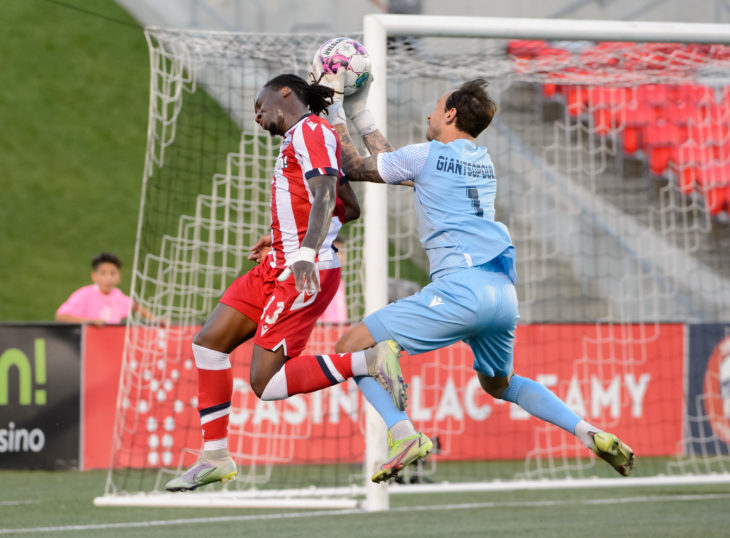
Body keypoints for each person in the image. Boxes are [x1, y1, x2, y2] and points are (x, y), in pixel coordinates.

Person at [319, 71, 635, 482]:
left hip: (459, 290)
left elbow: (355, 166)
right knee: (501, 385)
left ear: (450, 115)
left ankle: (403, 433)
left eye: (435, 108)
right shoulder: (481, 161)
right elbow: (400, 167)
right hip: (502, 294)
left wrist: (336, 109)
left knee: (350, 348)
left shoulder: (426, 155)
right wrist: (363, 116)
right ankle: (586, 430)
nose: (429, 114)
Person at [165, 73, 403, 492]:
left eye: (259, 104)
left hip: (299, 272)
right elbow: (349, 207)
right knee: (208, 344)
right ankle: (215, 455)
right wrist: (283, 236)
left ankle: (368, 360)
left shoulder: (310, 130)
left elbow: (328, 194)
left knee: (266, 383)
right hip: (276, 263)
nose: (256, 115)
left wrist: (307, 251)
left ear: (285, 91)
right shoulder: (301, 139)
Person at [55, 252, 153, 326]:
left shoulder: (117, 295)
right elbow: (61, 317)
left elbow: (135, 306)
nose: (108, 278)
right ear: (94, 276)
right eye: (103, 273)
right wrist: (91, 322)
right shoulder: (84, 294)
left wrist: (155, 320)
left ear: (119, 277)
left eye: (113, 273)